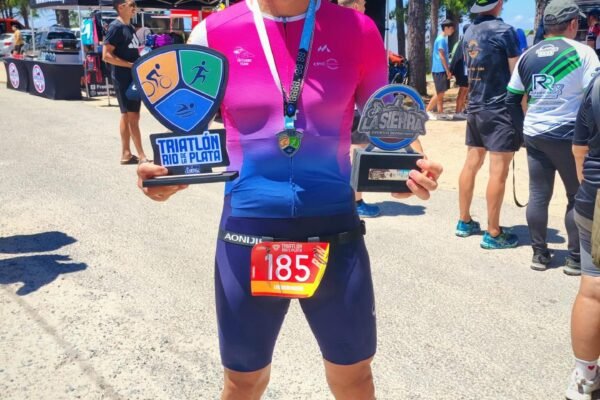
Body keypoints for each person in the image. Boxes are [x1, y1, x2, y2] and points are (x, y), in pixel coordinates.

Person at [140, 0, 443, 398]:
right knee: (243, 381)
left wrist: (410, 173)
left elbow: (390, 130)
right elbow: (182, 138)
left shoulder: (358, 30)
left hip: (335, 231)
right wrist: (160, 178)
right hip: (247, 232)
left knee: (354, 377)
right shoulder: (212, 33)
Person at [506, 0, 598, 274]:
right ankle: (575, 258)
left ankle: (539, 254)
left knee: (538, 195)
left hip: (535, 133)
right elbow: (594, 99)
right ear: (573, 24)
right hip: (570, 136)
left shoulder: (528, 55)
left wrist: (522, 132)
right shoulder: (583, 53)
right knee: (576, 195)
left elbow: (511, 99)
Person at [455, 0, 522, 249]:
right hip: (499, 108)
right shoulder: (505, 31)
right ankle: (493, 232)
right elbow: (517, 74)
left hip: (475, 106)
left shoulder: (468, 31)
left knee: (471, 163)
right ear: (499, 4)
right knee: (498, 171)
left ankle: (464, 221)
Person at [565, 51, 600, 400]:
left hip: (594, 193)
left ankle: (585, 377)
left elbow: (580, 150)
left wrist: (587, 189)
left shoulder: (596, 85)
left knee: (593, 289)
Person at [103, 0, 148, 165]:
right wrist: (130, 65)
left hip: (132, 77)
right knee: (132, 115)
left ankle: (126, 154)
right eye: (131, 4)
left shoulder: (129, 27)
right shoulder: (115, 27)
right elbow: (106, 56)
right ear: (121, 7)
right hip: (123, 78)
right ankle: (142, 155)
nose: (135, 7)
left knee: (128, 115)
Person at [426, 19, 455, 120]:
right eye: (451, 28)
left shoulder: (441, 39)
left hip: (440, 69)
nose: (453, 31)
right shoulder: (441, 40)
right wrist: (447, 70)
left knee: (441, 92)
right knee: (440, 92)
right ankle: (427, 111)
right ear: (446, 28)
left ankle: (440, 112)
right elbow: (441, 56)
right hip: (439, 69)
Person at [450, 24, 470, 119]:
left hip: (466, 71)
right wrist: (451, 70)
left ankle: (461, 111)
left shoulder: (466, 41)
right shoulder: (463, 42)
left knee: (465, 91)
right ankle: (457, 112)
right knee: (462, 91)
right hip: (463, 71)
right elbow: (456, 57)